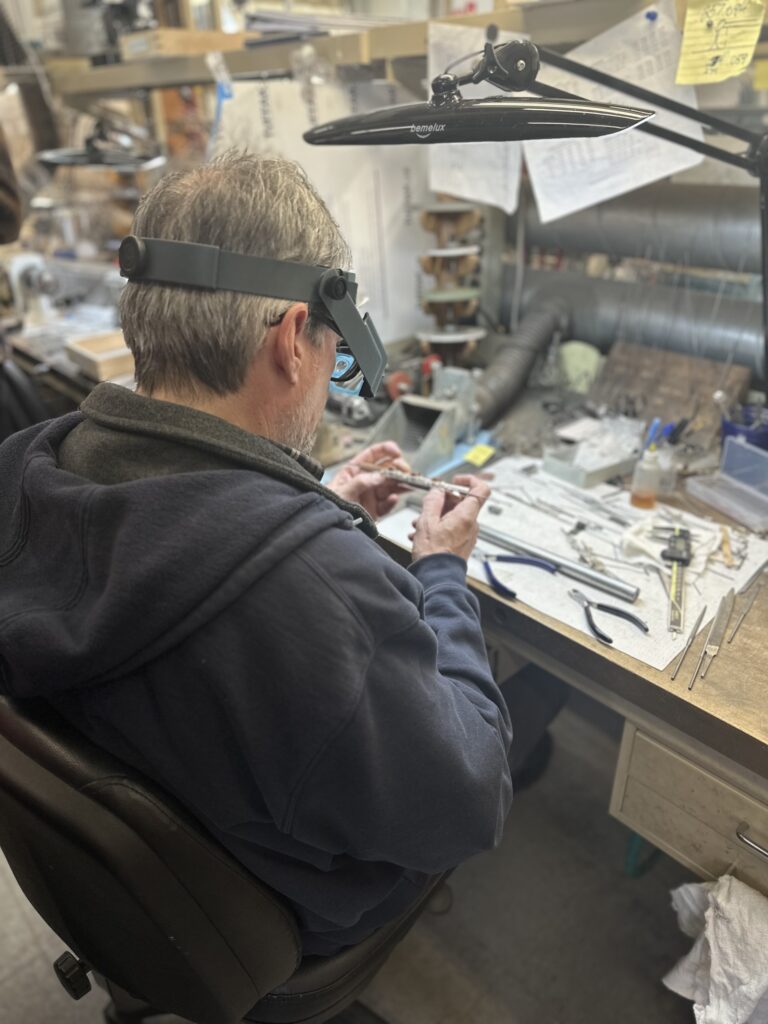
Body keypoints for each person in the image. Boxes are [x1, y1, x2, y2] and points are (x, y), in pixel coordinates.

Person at [0, 151, 564, 957]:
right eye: (338, 352)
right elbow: (472, 800)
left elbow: (173, 535)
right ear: (296, 338)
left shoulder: (27, 468)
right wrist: (441, 571)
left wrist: (311, 504)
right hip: (281, 909)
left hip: (166, 877)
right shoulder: (316, 594)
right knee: (540, 695)